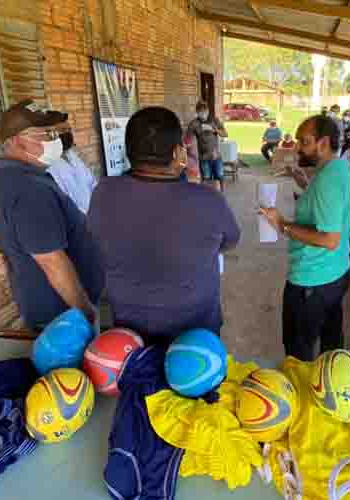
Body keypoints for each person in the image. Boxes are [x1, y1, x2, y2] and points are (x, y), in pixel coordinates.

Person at [87, 107, 240, 341]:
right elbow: (230, 241)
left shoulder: (103, 193)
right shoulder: (207, 199)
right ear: (178, 152)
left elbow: (97, 237)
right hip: (195, 333)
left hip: (130, 331)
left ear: (128, 151)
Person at [0, 100, 103, 332]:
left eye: (54, 132)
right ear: (17, 141)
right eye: (46, 134)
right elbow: (51, 261)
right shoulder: (29, 189)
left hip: (50, 307)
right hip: (62, 314)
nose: (55, 139)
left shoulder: (6, 178)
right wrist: (87, 313)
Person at [259, 115, 350, 361]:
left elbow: (329, 239)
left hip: (312, 281)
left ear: (323, 143)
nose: (297, 147)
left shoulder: (328, 179)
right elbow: (330, 207)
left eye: (304, 142)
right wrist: (304, 183)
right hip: (336, 271)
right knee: (331, 341)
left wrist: (281, 224)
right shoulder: (342, 168)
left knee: (299, 352)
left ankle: (304, 392)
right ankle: (328, 388)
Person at [47, 120, 98, 214]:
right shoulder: (49, 165)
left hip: (93, 214)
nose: (67, 133)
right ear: (52, 134)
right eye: (63, 130)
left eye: (69, 129)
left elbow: (91, 182)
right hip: (75, 222)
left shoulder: (73, 156)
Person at [187, 101, 228, 191]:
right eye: (200, 112)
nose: (203, 114)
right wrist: (189, 150)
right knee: (206, 178)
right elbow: (187, 138)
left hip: (216, 155)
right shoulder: (194, 123)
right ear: (197, 112)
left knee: (220, 176)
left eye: (204, 111)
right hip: (204, 157)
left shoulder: (214, 120)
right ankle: (207, 197)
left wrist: (214, 129)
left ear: (208, 111)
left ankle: (221, 194)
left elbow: (225, 134)